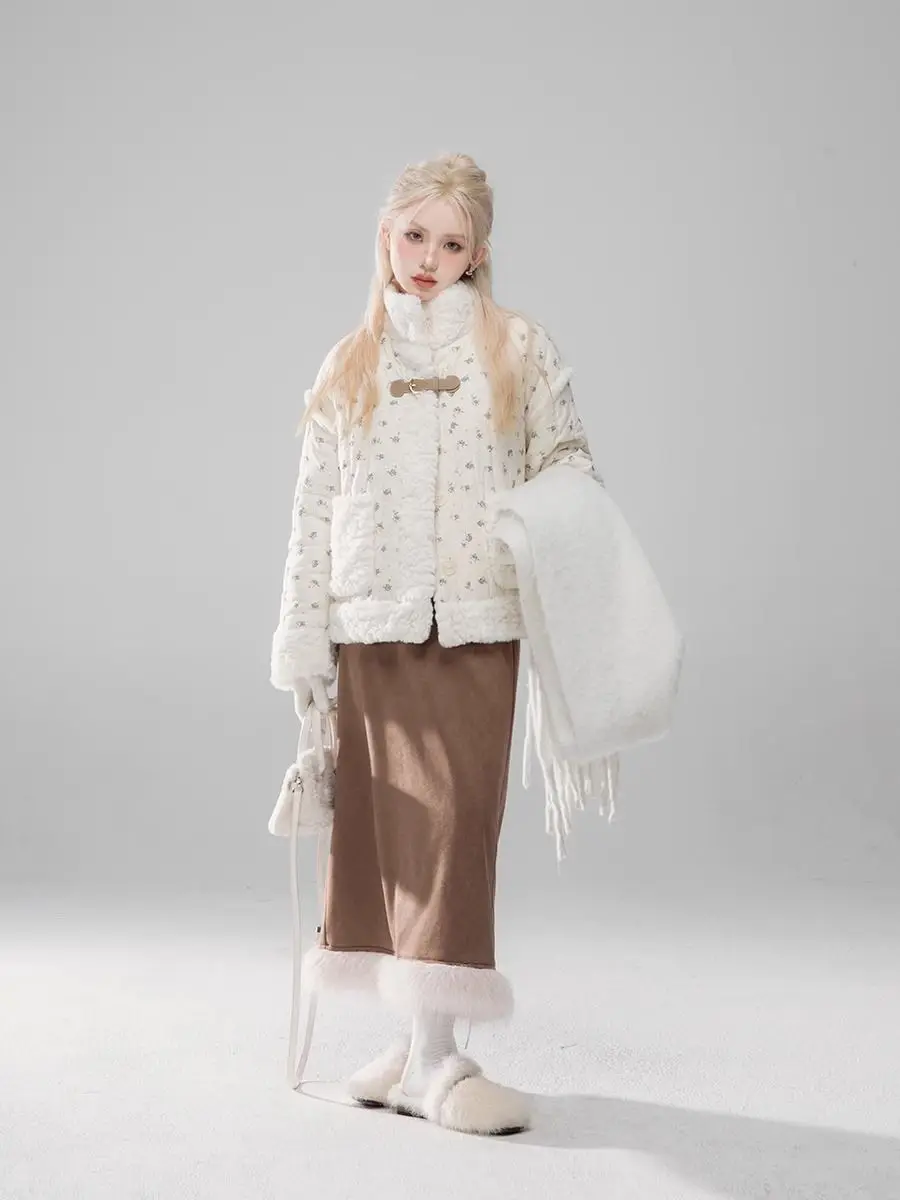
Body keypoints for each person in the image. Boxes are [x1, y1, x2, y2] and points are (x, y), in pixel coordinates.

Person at [269, 152, 601, 1136]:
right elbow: (312, 508)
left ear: (477, 255)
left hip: (475, 624)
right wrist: (303, 641)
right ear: (386, 235)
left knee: (457, 828)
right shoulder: (350, 362)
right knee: (389, 833)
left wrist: (528, 526)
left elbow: (570, 463)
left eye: (451, 244)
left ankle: (440, 1056)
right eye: (413, 235)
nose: (427, 258)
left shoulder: (518, 349)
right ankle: (418, 1052)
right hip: (369, 627)